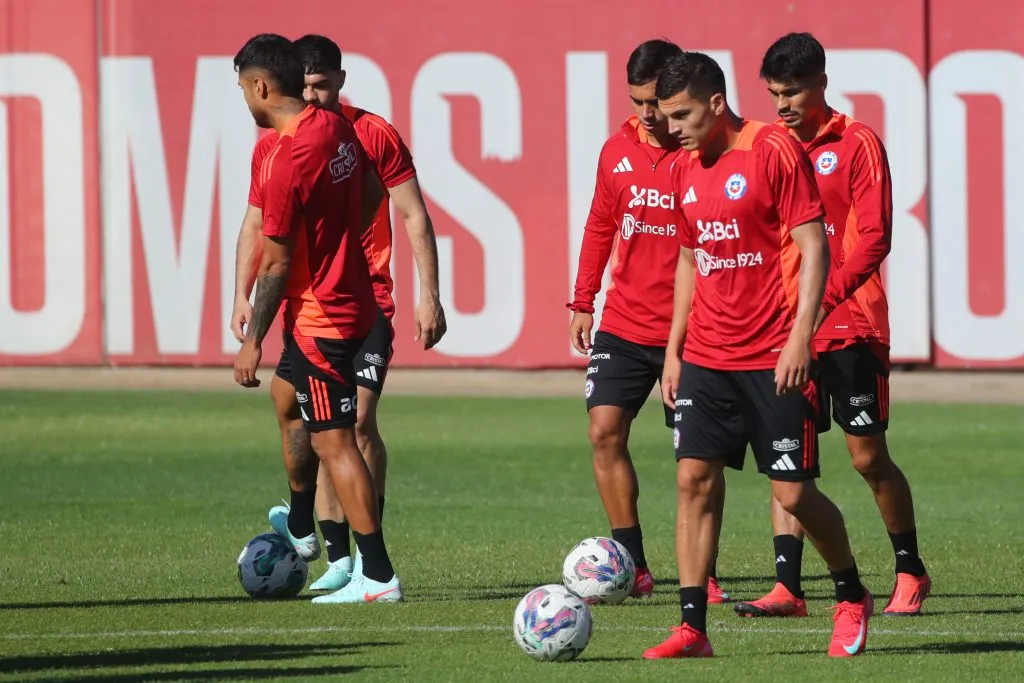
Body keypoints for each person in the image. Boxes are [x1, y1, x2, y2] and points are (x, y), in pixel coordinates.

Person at [643, 51, 872, 659]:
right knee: (693, 479)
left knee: (793, 493)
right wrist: (674, 349)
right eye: (665, 117)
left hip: (773, 352)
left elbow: (812, 243)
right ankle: (693, 629)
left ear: (716, 103)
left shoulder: (772, 149)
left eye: (682, 114)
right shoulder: (682, 168)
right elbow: (691, 259)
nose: (672, 128)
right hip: (707, 356)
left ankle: (850, 594)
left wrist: (801, 336)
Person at [231, 34, 446, 596]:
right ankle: (304, 530)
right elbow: (371, 189)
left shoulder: (289, 157)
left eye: (242, 92)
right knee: (289, 404)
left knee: (337, 440)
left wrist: (254, 340)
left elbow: (275, 262)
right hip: (341, 301)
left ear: (259, 86)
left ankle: (374, 574)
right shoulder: (335, 130)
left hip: (321, 317)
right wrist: (342, 241)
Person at [733, 32, 929, 620]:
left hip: (852, 324)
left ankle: (909, 568)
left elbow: (875, 237)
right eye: (773, 94)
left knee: (867, 456)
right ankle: (788, 587)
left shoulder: (857, 143)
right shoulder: (767, 148)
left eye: (792, 91)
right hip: (786, 330)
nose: (783, 104)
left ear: (821, 82)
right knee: (787, 456)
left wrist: (825, 299)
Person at [568, 39, 729, 603]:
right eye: (637, 102)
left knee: (696, 457)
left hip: (691, 332)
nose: (646, 114)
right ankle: (632, 562)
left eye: (654, 102)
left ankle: (701, 571)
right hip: (623, 324)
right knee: (603, 430)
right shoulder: (617, 150)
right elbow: (599, 224)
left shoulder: (705, 154)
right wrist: (583, 299)